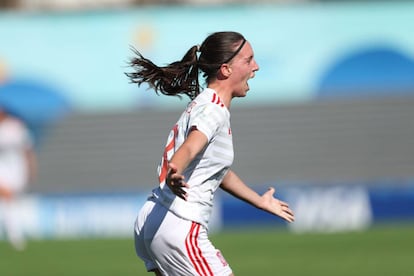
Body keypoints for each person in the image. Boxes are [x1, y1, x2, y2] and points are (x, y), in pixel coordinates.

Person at [126, 31, 295, 276]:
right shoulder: (213, 110)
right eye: (248, 60)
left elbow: (217, 170)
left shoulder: (204, 104)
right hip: (180, 223)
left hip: (155, 217)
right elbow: (191, 147)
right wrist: (176, 168)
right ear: (225, 70)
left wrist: (259, 201)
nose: (255, 67)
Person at [0, 107, 37, 250]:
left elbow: (27, 150)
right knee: (7, 198)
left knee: (11, 202)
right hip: (2, 170)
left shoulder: (16, 127)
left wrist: (31, 168)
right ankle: (15, 236)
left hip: (17, 170)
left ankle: (14, 234)